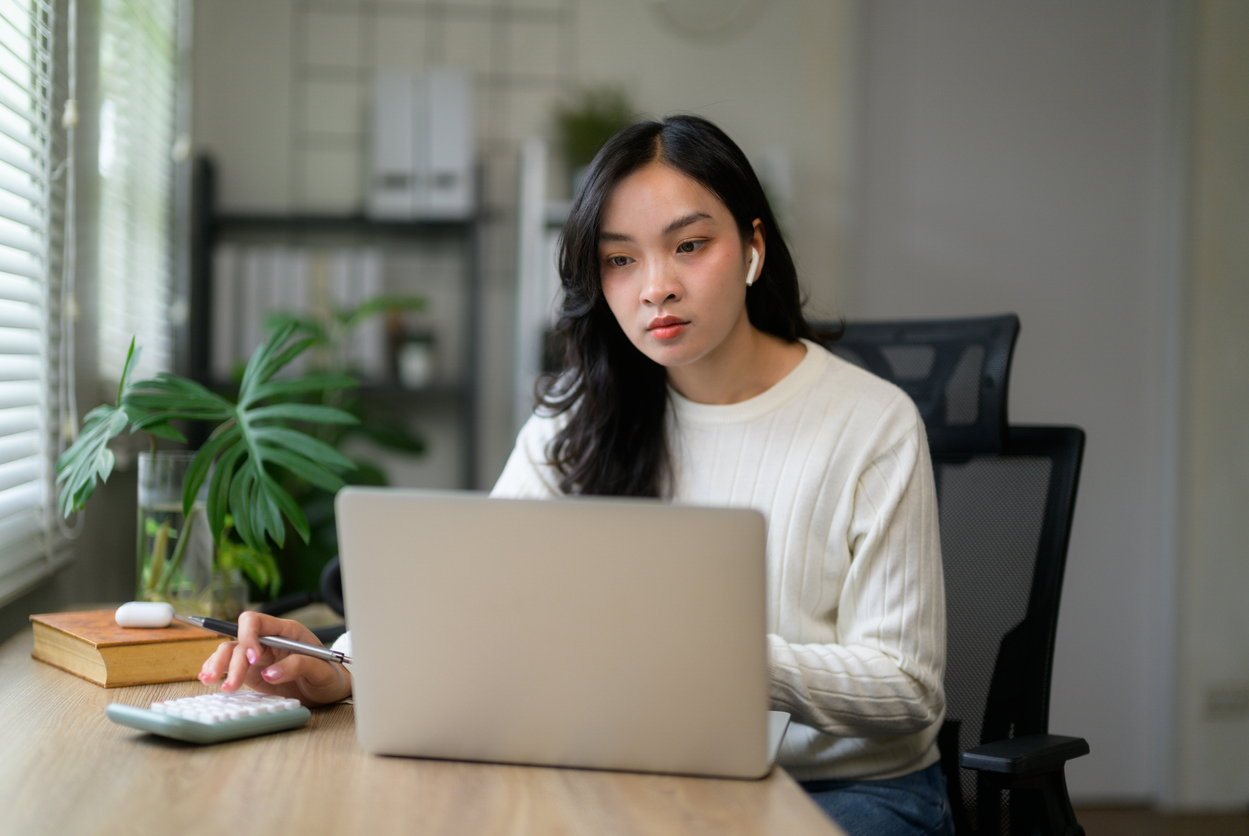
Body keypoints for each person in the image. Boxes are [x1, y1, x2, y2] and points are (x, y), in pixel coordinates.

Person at [200, 114, 952, 836]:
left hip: (848, 794)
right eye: (621, 260)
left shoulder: (871, 425)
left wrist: (727, 656)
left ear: (753, 247)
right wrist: (336, 664)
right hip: (650, 779)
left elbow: (910, 690)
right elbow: (472, 589)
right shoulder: (584, 416)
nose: (655, 286)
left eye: (689, 246)